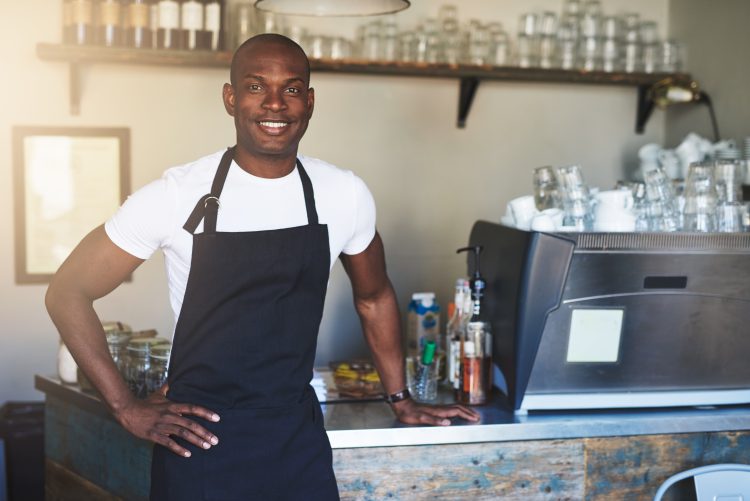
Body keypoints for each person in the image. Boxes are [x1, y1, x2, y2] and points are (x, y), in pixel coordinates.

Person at [45, 33, 479, 500]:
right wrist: (125, 407)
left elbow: (373, 297)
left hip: (296, 441)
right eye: (256, 87)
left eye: (291, 89)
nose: (275, 104)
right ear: (231, 98)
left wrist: (402, 400)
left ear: (309, 102)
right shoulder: (176, 195)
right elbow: (67, 291)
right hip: (199, 444)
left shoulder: (342, 194)